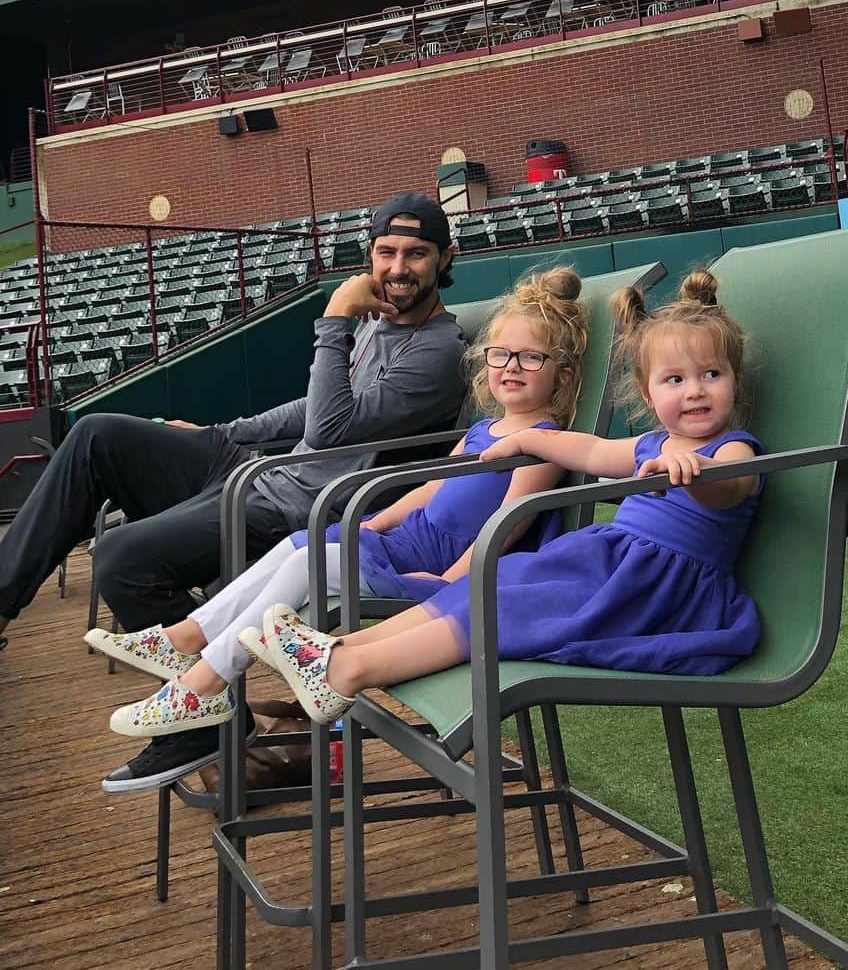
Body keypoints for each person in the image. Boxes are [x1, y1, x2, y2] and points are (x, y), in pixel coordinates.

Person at [0, 191, 468, 790]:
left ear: (445, 258)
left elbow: (329, 427)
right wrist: (222, 432)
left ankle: (201, 722)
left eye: (416, 254)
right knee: (98, 436)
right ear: (370, 254)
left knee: (123, 558)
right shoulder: (379, 324)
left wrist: (334, 319)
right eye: (387, 252)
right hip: (264, 472)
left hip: (303, 506)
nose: (399, 268)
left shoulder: (438, 351)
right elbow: (311, 409)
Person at [248, 271, 765, 725]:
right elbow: (586, 447)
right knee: (492, 582)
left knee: (505, 608)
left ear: (733, 382)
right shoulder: (650, 443)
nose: (694, 390)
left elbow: (732, 484)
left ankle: (348, 672)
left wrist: (697, 473)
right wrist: (522, 439)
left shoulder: (732, 449)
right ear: (649, 394)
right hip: (607, 563)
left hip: (655, 590)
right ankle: (339, 648)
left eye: (710, 375)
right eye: (675, 379)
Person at [97, 269, 587, 740]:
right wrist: (372, 523)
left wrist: (451, 580)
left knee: (313, 558)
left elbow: (510, 525)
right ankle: (187, 634)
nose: (511, 368)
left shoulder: (546, 441)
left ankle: (201, 683)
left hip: (438, 567)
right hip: (404, 540)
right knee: (298, 545)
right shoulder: (482, 430)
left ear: (561, 375)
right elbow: (426, 489)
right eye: (501, 355)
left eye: (531, 358)